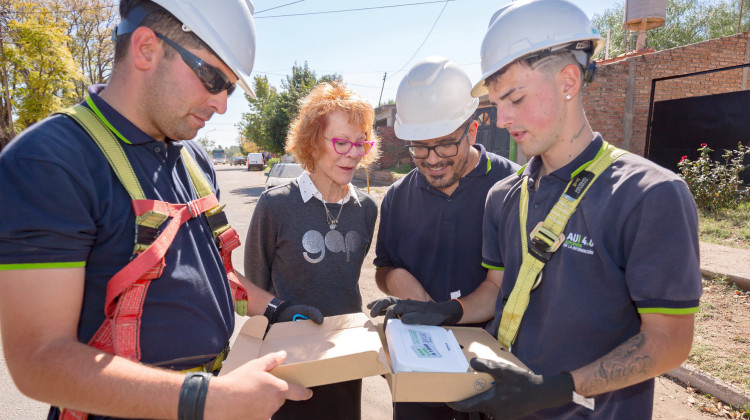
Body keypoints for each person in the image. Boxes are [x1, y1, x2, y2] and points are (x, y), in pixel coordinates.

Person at [370, 1, 703, 419]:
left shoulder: (648, 195)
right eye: (497, 102)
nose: (503, 118)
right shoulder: (507, 195)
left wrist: (556, 389)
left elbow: (668, 341)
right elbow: (496, 289)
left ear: (568, 80)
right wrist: (448, 311)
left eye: (515, 98)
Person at [0, 1, 320, 419]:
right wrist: (206, 400)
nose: (222, 104)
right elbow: (39, 364)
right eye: (212, 78)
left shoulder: (194, 159)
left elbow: (207, 273)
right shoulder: (50, 161)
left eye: (231, 87)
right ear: (147, 48)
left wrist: (274, 309)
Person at [368, 56, 519, 420]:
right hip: (418, 367)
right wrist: (408, 289)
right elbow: (383, 268)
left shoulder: (513, 188)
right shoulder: (398, 196)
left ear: (472, 130)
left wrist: (448, 311)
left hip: (489, 371)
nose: (432, 159)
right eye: (420, 146)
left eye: (445, 145)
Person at [243, 81, 380, 420]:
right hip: (290, 363)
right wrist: (282, 310)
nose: (352, 153)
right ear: (313, 142)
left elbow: (346, 280)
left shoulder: (366, 208)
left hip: (347, 359)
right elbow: (249, 293)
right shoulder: (276, 205)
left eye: (360, 144)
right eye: (341, 142)